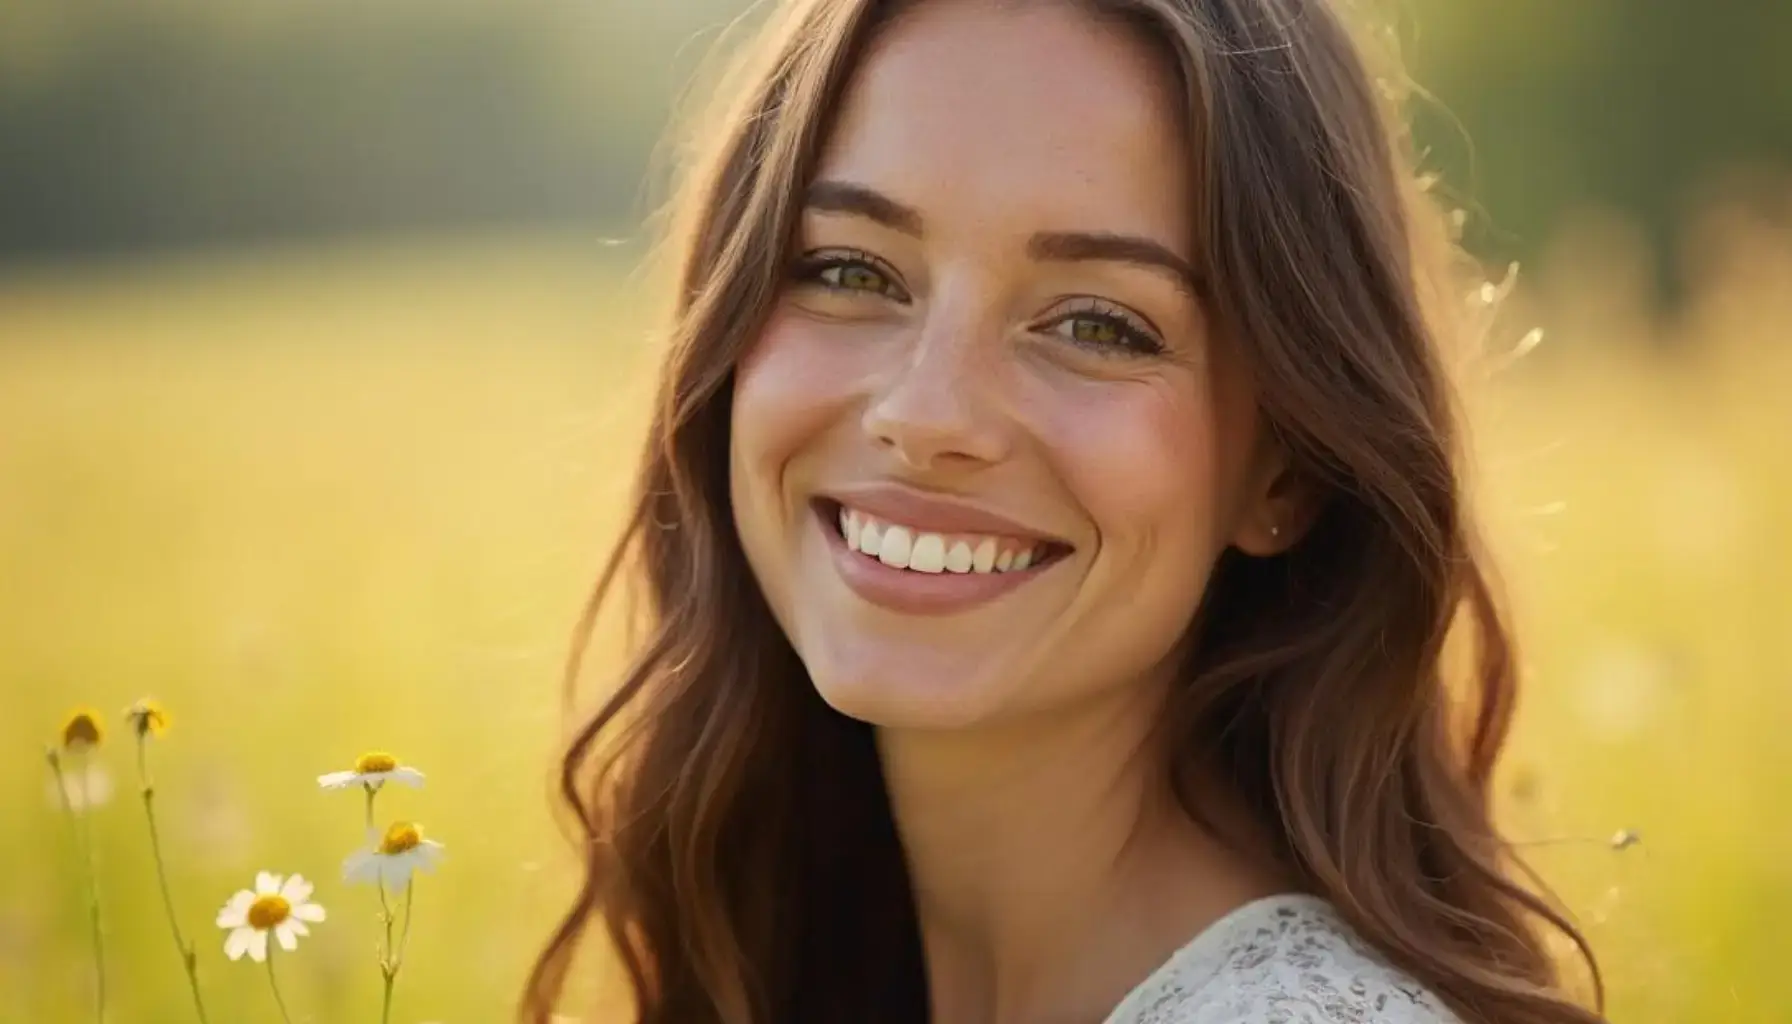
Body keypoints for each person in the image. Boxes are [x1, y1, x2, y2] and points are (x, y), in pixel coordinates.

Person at [524, 1, 1607, 1022]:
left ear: (1287, 473)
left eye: (1096, 325)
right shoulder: (805, 941)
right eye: (850, 267)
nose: (925, 412)